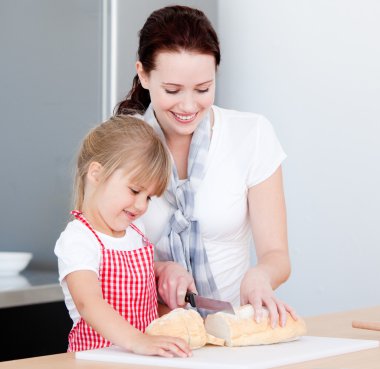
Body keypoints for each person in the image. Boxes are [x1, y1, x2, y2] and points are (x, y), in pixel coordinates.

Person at [116, 5, 296, 327]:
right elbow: (101, 255)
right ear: (143, 74)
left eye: (203, 89)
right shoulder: (120, 146)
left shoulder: (252, 134)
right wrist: (158, 271)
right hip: (143, 333)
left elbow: (277, 256)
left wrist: (261, 275)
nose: (188, 106)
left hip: (228, 332)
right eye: (172, 90)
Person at [54, 115, 191, 357]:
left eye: (148, 197)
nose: (141, 206)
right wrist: (138, 341)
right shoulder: (78, 239)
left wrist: (167, 287)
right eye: (135, 190)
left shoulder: (137, 232)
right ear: (96, 173)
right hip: (96, 359)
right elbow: (89, 303)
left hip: (140, 358)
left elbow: (140, 298)